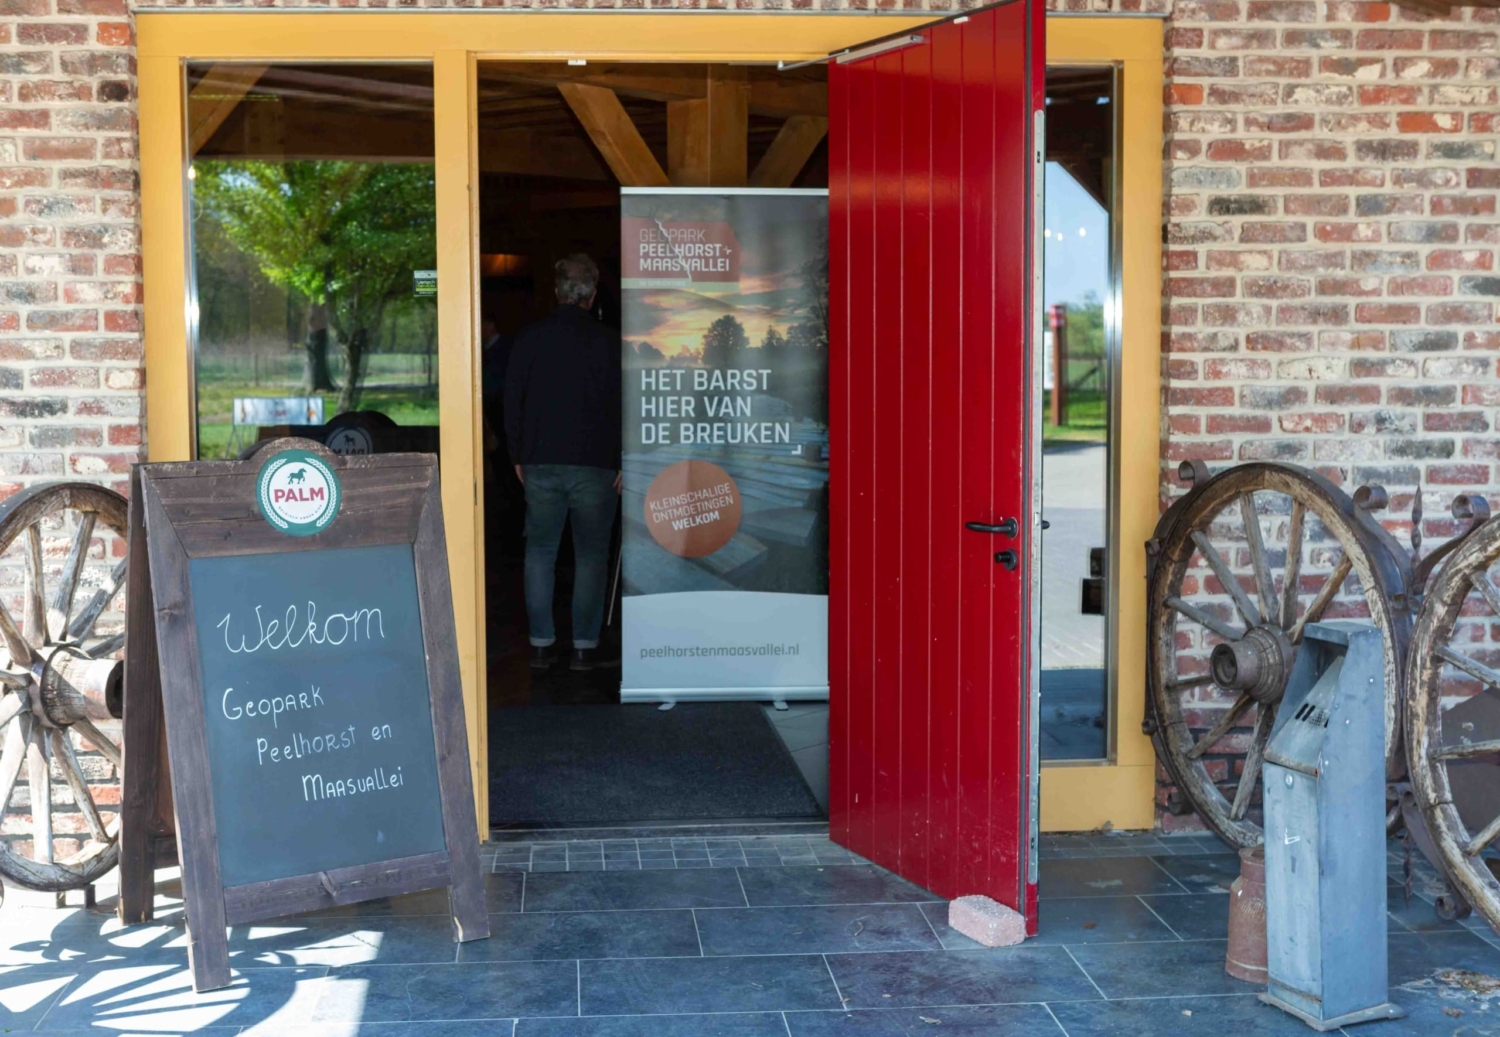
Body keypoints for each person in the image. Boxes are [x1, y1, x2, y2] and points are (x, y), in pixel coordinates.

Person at [504, 254, 622, 672]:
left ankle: (540, 644)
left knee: (540, 552)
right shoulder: (610, 343)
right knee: (591, 556)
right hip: (597, 464)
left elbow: (511, 401)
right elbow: (625, 406)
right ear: (591, 295)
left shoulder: (529, 338)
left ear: (557, 291)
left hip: (540, 462)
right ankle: (584, 648)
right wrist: (624, 457)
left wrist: (518, 455)